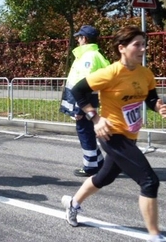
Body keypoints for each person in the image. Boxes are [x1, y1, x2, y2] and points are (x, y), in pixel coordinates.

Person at [61, 25, 166, 242]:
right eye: (137, 44)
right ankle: (155, 236)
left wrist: (158, 107)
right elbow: (78, 90)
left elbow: (150, 98)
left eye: (144, 44)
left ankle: (73, 203)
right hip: (111, 134)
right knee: (149, 181)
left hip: (130, 136)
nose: (142, 49)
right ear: (122, 48)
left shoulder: (145, 74)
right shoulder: (110, 73)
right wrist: (95, 117)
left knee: (104, 177)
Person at [60, 25, 109, 177]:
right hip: (84, 102)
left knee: (85, 132)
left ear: (85, 39)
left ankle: (90, 166)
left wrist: (80, 109)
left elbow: (85, 85)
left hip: (82, 103)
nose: (77, 40)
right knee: (87, 131)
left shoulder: (89, 57)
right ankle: (99, 162)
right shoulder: (90, 55)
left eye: (79, 37)